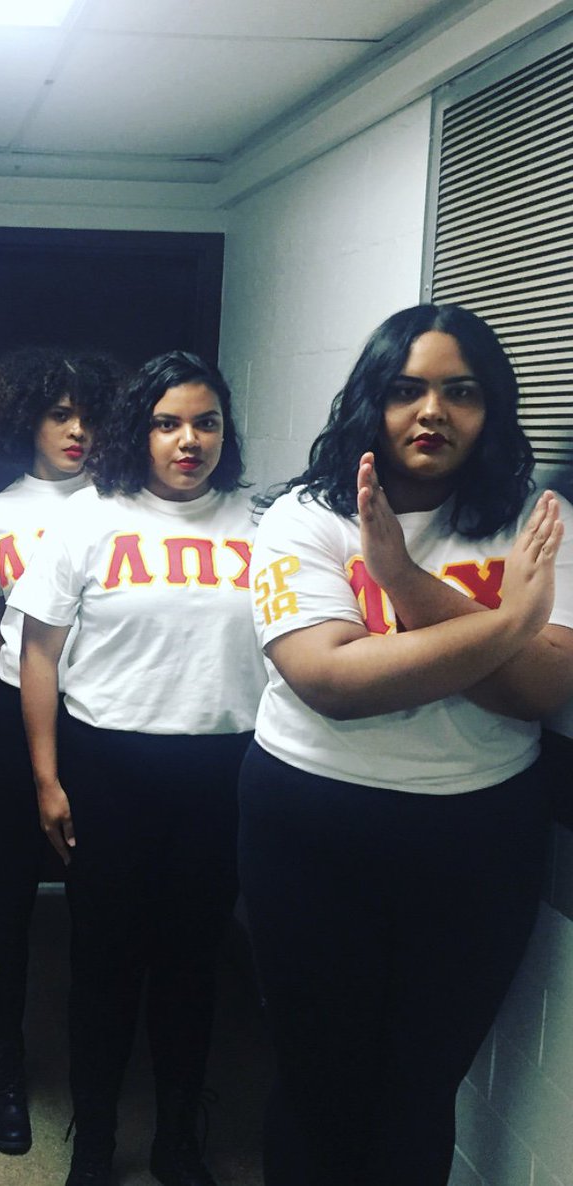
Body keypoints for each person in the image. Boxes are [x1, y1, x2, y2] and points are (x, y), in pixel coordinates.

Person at [241, 304, 573, 1186]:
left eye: (461, 392)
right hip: (312, 827)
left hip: (480, 838)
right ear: (370, 404)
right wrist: (509, 624)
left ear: (492, 407)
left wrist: (402, 584)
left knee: (421, 1091)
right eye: (407, 390)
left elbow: (542, 688)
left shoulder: (534, 522)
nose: (433, 413)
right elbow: (336, 683)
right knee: (319, 1085)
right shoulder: (302, 517)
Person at [12, 351, 264, 1186]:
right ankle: (95, 1137)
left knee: (193, 964)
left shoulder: (261, 525)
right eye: (167, 423)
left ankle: (178, 1137)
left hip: (220, 772)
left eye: (205, 422)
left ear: (225, 432)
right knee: (105, 962)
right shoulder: (92, 518)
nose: (188, 441)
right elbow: (38, 654)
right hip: (108, 768)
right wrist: (48, 779)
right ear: (140, 431)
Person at [0, 347, 121, 1155]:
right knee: (12, 900)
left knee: (100, 905)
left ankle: (101, 1085)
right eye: (60, 414)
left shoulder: (126, 505)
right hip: (11, 722)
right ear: (27, 419)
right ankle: (7, 1068)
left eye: (89, 414)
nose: (78, 430)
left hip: (101, 724)